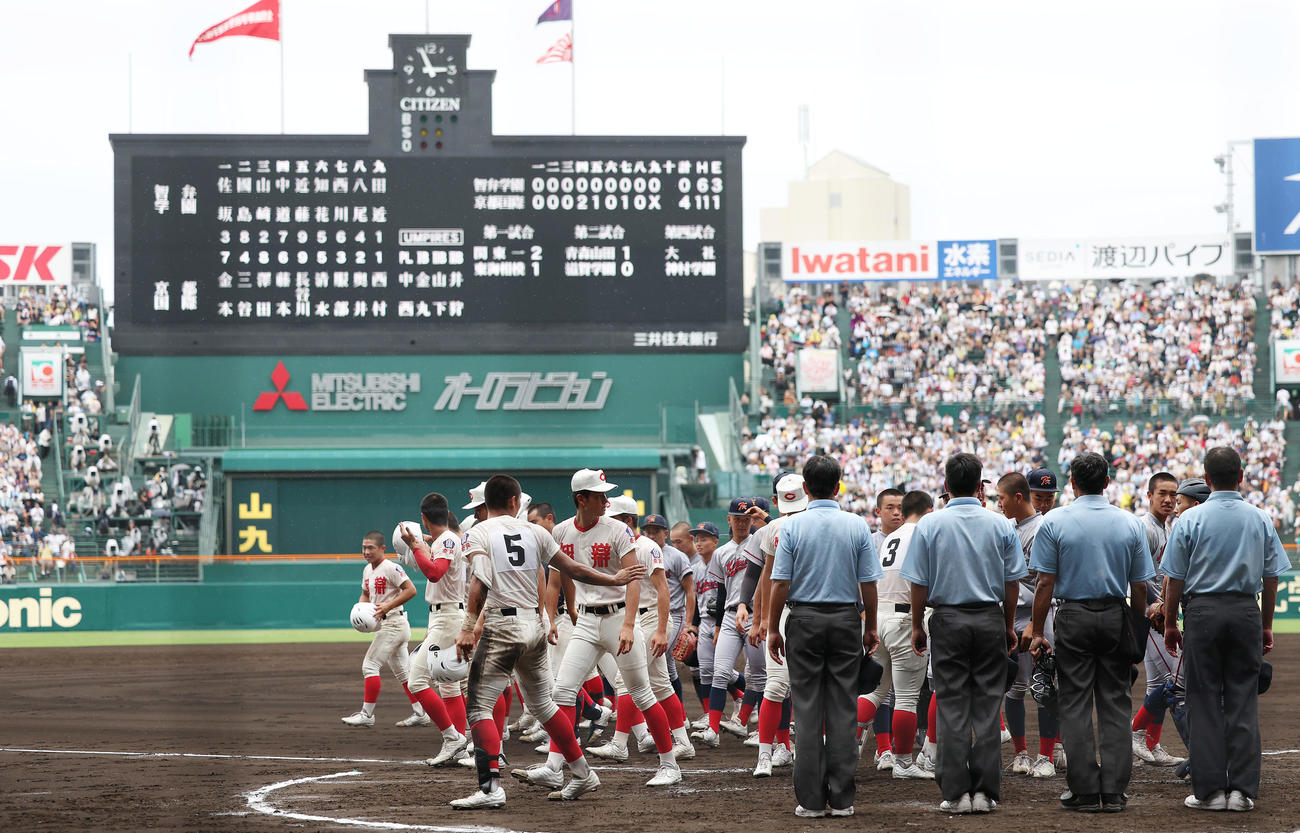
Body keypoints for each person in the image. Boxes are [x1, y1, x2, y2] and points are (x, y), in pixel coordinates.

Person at [450, 474, 644, 809]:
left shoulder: (478, 532)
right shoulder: (536, 531)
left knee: (479, 707)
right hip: (535, 624)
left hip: (501, 625)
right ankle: (582, 773)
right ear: (515, 501)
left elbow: (480, 579)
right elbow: (574, 569)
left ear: (486, 506)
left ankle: (490, 788)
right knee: (545, 706)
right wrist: (612, 578)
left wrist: (469, 626)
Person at [515, 469, 683, 790]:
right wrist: (558, 614)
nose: (605, 500)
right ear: (581, 498)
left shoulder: (618, 529)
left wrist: (630, 625)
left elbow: (633, 577)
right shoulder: (562, 531)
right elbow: (557, 579)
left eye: (606, 494)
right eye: (599, 495)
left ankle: (669, 764)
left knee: (641, 693)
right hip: (588, 620)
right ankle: (554, 766)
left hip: (619, 617)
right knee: (561, 692)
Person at [1162, 447, 1289, 813]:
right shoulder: (1260, 518)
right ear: (1242, 476)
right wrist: (1265, 625)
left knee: (1203, 703)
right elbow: (1271, 576)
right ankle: (1241, 793)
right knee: (1242, 702)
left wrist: (1171, 622)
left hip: (1202, 612)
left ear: (1205, 478)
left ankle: (1210, 791)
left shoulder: (1189, 520)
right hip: (1245, 611)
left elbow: (1175, 578)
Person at [1028, 451, 1154, 814]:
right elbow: (1141, 587)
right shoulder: (1129, 523)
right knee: (1115, 703)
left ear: (1072, 483)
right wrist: (1135, 630)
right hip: (1115, 613)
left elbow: (1044, 584)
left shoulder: (1055, 522)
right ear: (1108, 482)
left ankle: (1083, 790)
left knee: (1075, 702)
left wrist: (1037, 631)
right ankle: (1113, 791)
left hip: (1073, 616)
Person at [902, 452, 1025, 815]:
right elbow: (1012, 582)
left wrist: (915, 625)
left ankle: (956, 793)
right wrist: (1005, 624)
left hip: (947, 619)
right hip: (988, 618)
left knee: (952, 706)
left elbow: (918, 584)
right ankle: (985, 792)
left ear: (945, 486)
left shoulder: (929, 524)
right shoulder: (1000, 524)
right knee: (987, 707)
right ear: (979, 486)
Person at [768, 455, 882, 819]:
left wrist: (773, 627)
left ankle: (812, 801)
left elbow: (780, 583)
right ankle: (843, 798)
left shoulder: (793, 527)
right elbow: (868, 583)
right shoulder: (857, 525)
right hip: (847, 620)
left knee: (806, 709)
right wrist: (870, 626)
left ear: (804, 489)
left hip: (803, 619)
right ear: (839, 486)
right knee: (843, 710)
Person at [588, 498, 694, 761]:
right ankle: (683, 741)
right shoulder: (619, 546)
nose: (606, 522)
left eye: (613, 518)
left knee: (625, 680)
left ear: (627, 520)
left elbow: (663, 590)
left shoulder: (646, 547)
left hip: (651, 621)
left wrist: (661, 630)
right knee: (660, 685)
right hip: (637, 618)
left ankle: (620, 744)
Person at [394, 494, 473, 763]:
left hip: (449, 616)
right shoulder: (444, 539)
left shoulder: (448, 539)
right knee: (449, 686)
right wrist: (421, 544)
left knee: (416, 680)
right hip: (442, 616)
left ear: (424, 519)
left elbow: (434, 573)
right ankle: (459, 743)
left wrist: (415, 545)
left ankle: (453, 738)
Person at [863, 489, 936, 780]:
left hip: (879, 614)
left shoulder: (891, 537)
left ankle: (836, 740)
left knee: (877, 691)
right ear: (929, 511)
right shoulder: (922, 534)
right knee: (905, 698)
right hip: (905, 617)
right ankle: (904, 762)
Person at [997, 471, 1062, 778]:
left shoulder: (1043, 528)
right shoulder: (1009, 527)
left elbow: (1046, 583)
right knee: (1014, 687)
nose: (1045, 503)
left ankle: (1047, 754)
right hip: (1014, 614)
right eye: (1041, 497)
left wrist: (1035, 625)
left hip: (1040, 615)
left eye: (1050, 497)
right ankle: (1021, 753)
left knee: (1045, 684)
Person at [746, 472, 805, 777]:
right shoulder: (774, 528)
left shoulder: (774, 527)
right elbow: (766, 579)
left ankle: (767, 754)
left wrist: (763, 620)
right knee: (799, 687)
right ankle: (771, 753)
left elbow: (765, 581)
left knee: (777, 687)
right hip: (807, 611)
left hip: (787, 613)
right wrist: (762, 619)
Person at [694, 497, 764, 748]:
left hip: (757, 615)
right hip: (730, 614)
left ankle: (756, 726)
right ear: (729, 519)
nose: (742, 523)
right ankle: (712, 729)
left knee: (759, 674)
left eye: (747, 519)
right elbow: (722, 590)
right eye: (738, 518)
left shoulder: (759, 543)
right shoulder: (721, 553)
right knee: (719, 671)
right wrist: (718, 625)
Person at [1131, 472, 1186, 767]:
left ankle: (1151, 744)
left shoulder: (1165, 528)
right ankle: (1136, 732)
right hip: (1150, 616)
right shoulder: (1145, 528)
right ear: (1149, 495)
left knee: (1158, 684)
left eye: (1173, 495)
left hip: (1158, 612)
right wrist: (1154, 609)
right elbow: (1138, 577)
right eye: (1162, 493)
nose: (1168, 499)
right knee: (1175, 681)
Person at [340, 532, 421, 728]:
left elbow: (411, 590)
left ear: (383, 548)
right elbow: (365, 594)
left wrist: (388, 606)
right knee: (404, 674)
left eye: (371, 548)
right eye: (364, 548)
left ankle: (367, 715)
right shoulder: (367, 570)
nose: (366, 552)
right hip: (387, 624)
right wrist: (360, 611)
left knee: (370, 665)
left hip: (394, 623)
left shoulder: (391, 568)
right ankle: (421, 712)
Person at [640, 513, 696, 728]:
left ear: (666, 533)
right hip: (649, 615)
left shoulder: (676, 556)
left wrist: (689, 624)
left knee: (650, 661)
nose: (651, 534)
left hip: (675, 615)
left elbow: (690, 591)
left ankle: (669, 718)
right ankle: (679, 717)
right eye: (648, 531)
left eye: (656, 531)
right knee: (668, 668)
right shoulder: (642, 552)